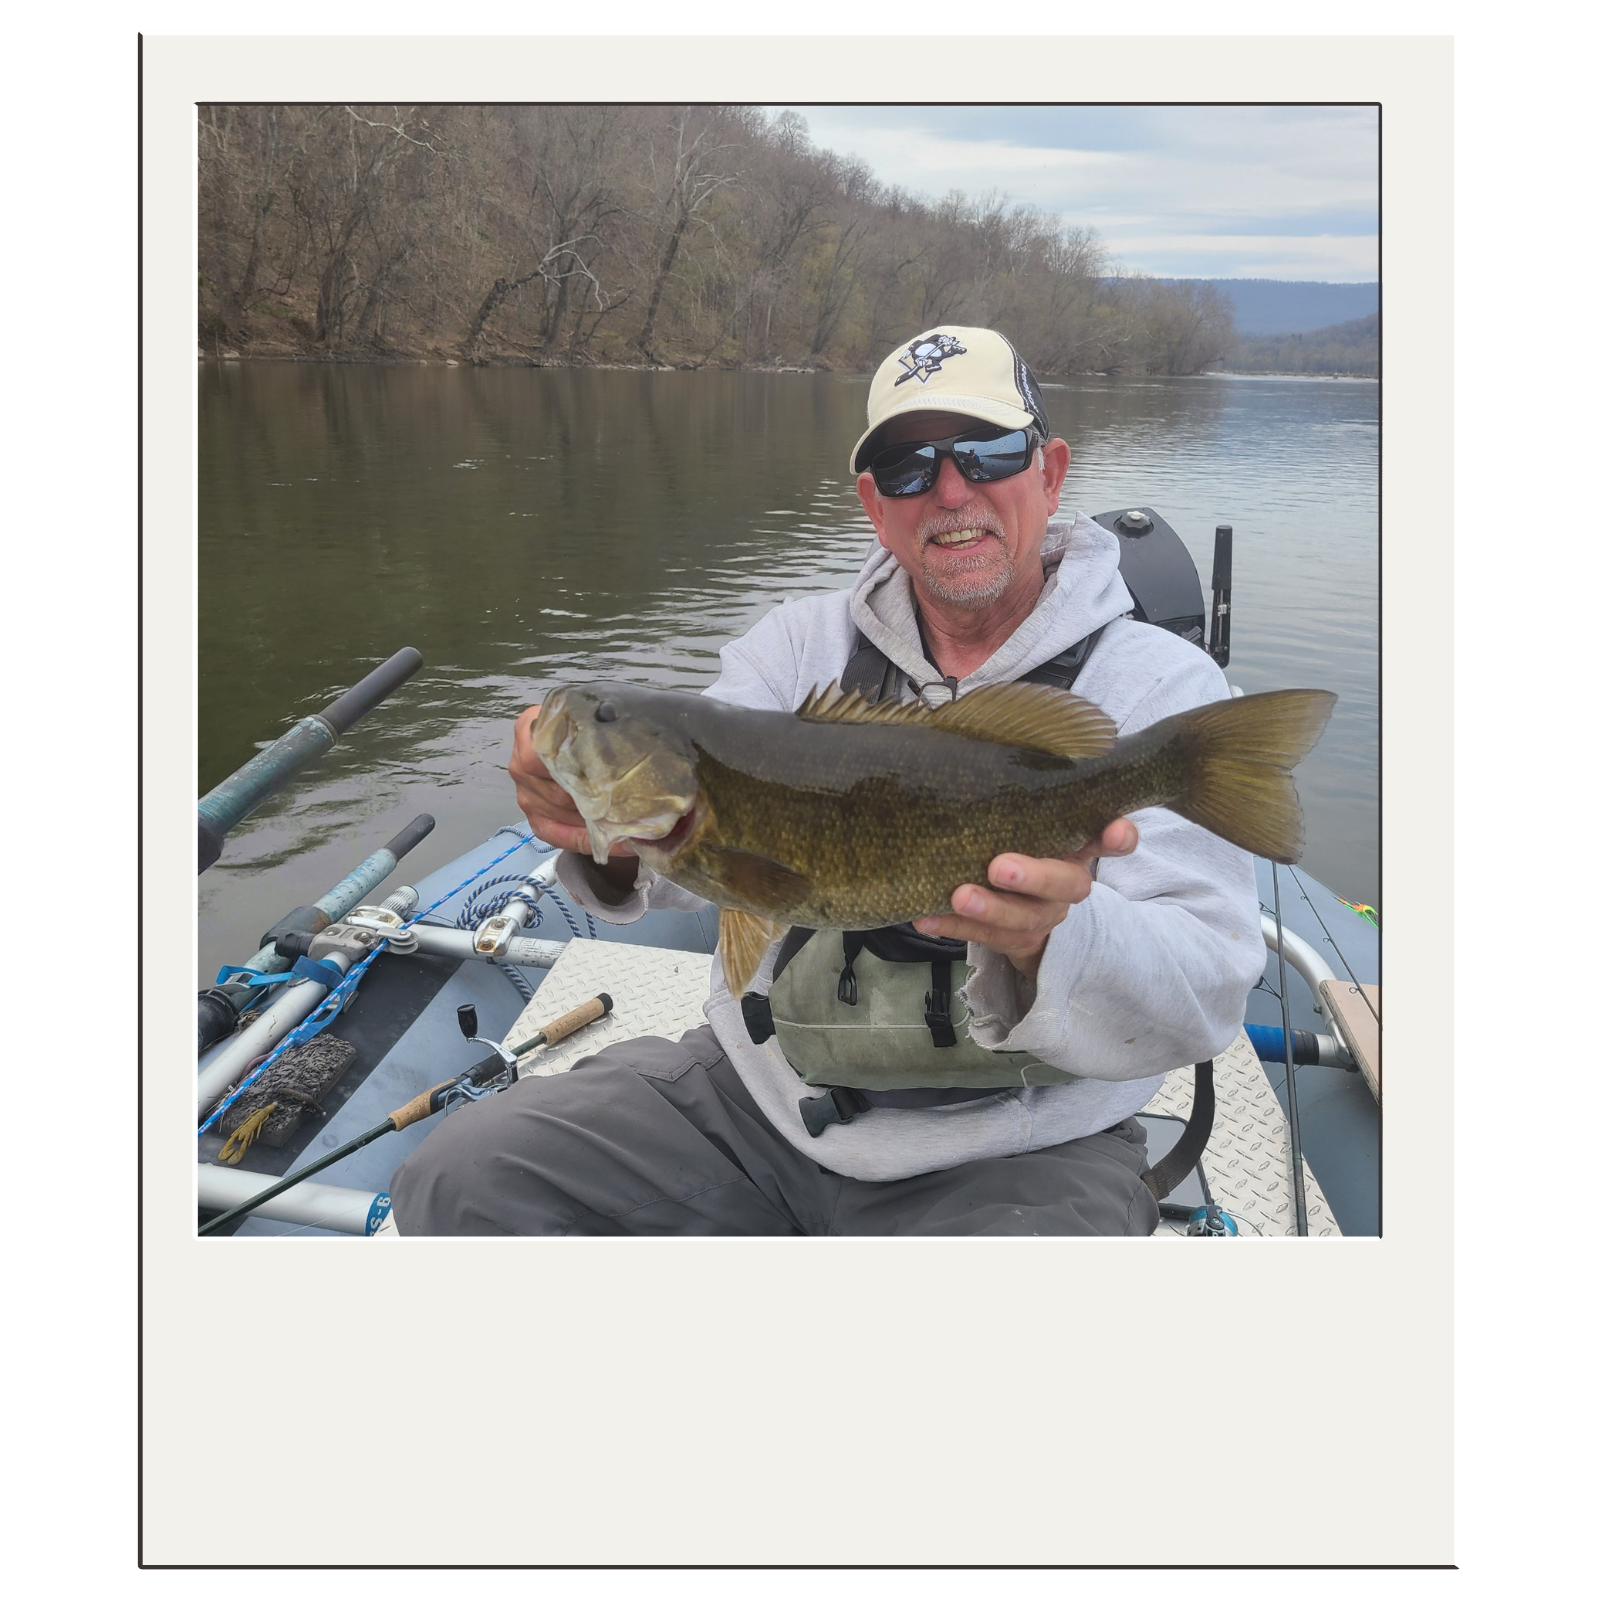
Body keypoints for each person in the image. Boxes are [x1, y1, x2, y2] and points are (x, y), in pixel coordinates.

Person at [389, 325, 1264, 1236]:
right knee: (461, 1179)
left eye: (988, 451)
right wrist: (589, 830)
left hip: (1023, 1153)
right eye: (907, 467)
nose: (951, 488)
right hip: (759, 1109)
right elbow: (681, 861)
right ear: (873, 505)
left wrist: (1054, 938)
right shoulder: (795, 649)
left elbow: (1209, 995)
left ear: (1049, 472)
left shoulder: (1161, 692)